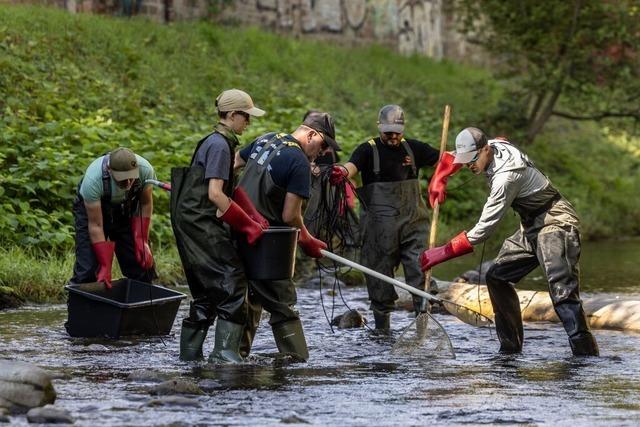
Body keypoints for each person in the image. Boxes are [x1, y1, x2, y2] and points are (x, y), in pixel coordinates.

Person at [421, 127, 599, 356]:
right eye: (464, 161)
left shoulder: (506, 177)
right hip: (531, 224)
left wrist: (444, 252)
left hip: (556, 222)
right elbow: (467, 151)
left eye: (472, 160)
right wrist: (442, 174)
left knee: (562, 292)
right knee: (496, 277)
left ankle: (586, 359)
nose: (468, 166)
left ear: (486, 150)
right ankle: (510, 349)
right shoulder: (493, 144)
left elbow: (483, 230)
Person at [170, 89, 267, 363]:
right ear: (232, 115)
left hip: (192, 222)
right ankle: (225, 358)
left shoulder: (216, 142)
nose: (248, 122)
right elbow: (215, 193)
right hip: (202, 225)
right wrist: (246, 225)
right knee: (232, 285)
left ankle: (190, 359)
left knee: (205, 293)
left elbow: (229, 189)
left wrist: (252, 216)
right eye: (246, 116)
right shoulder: (219, 145)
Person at [234, 112, 337, 361]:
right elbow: (290, 215)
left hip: (235, 233)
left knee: (249, 299)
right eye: (324, 146)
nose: (323, 153)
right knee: (284, 304)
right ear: (311, 135)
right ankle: (298, 365)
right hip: (266, 244)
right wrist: (308, 239)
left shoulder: (267, 139)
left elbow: (235, 162)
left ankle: (236, 360)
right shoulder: (298, 161)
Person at [329, 105, 440, 330]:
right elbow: (351, 167)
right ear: (379, 126)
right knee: (379, 277)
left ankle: (423, 328)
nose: (393, 136)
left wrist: (442, 177)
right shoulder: (367, 150)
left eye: (397, 131)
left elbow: (445, 162)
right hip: (379, 229)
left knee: (420, 271)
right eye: (388, 131)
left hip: (413, 223)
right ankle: (381, 332)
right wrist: (341, 172)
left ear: (403, 128)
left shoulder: (414, 148)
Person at [70, 147, 157, 288]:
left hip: (125, 210)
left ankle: (142, 306)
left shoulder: (145, 169)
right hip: (93, 213)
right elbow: (96, 225)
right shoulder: (93, 180)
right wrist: (105, 264)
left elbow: (145, 204)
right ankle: (82, 306)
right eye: (123, 179)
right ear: (110, 170)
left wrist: (142, 240)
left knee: (140, 263)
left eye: (131, 177)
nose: (128, 183)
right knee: (88, 270)